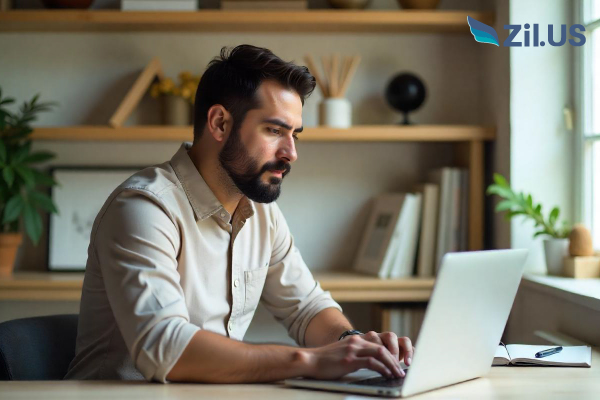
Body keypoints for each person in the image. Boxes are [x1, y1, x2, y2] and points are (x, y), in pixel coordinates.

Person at [65, 44, 413, 384]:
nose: (291, 152)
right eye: (275, 131)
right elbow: (164, 347)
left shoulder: (263, 215)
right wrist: (309, 360)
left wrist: (352, 344)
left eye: (295, 135)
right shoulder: (144, 209)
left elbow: (306, 308)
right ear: (219, 123)